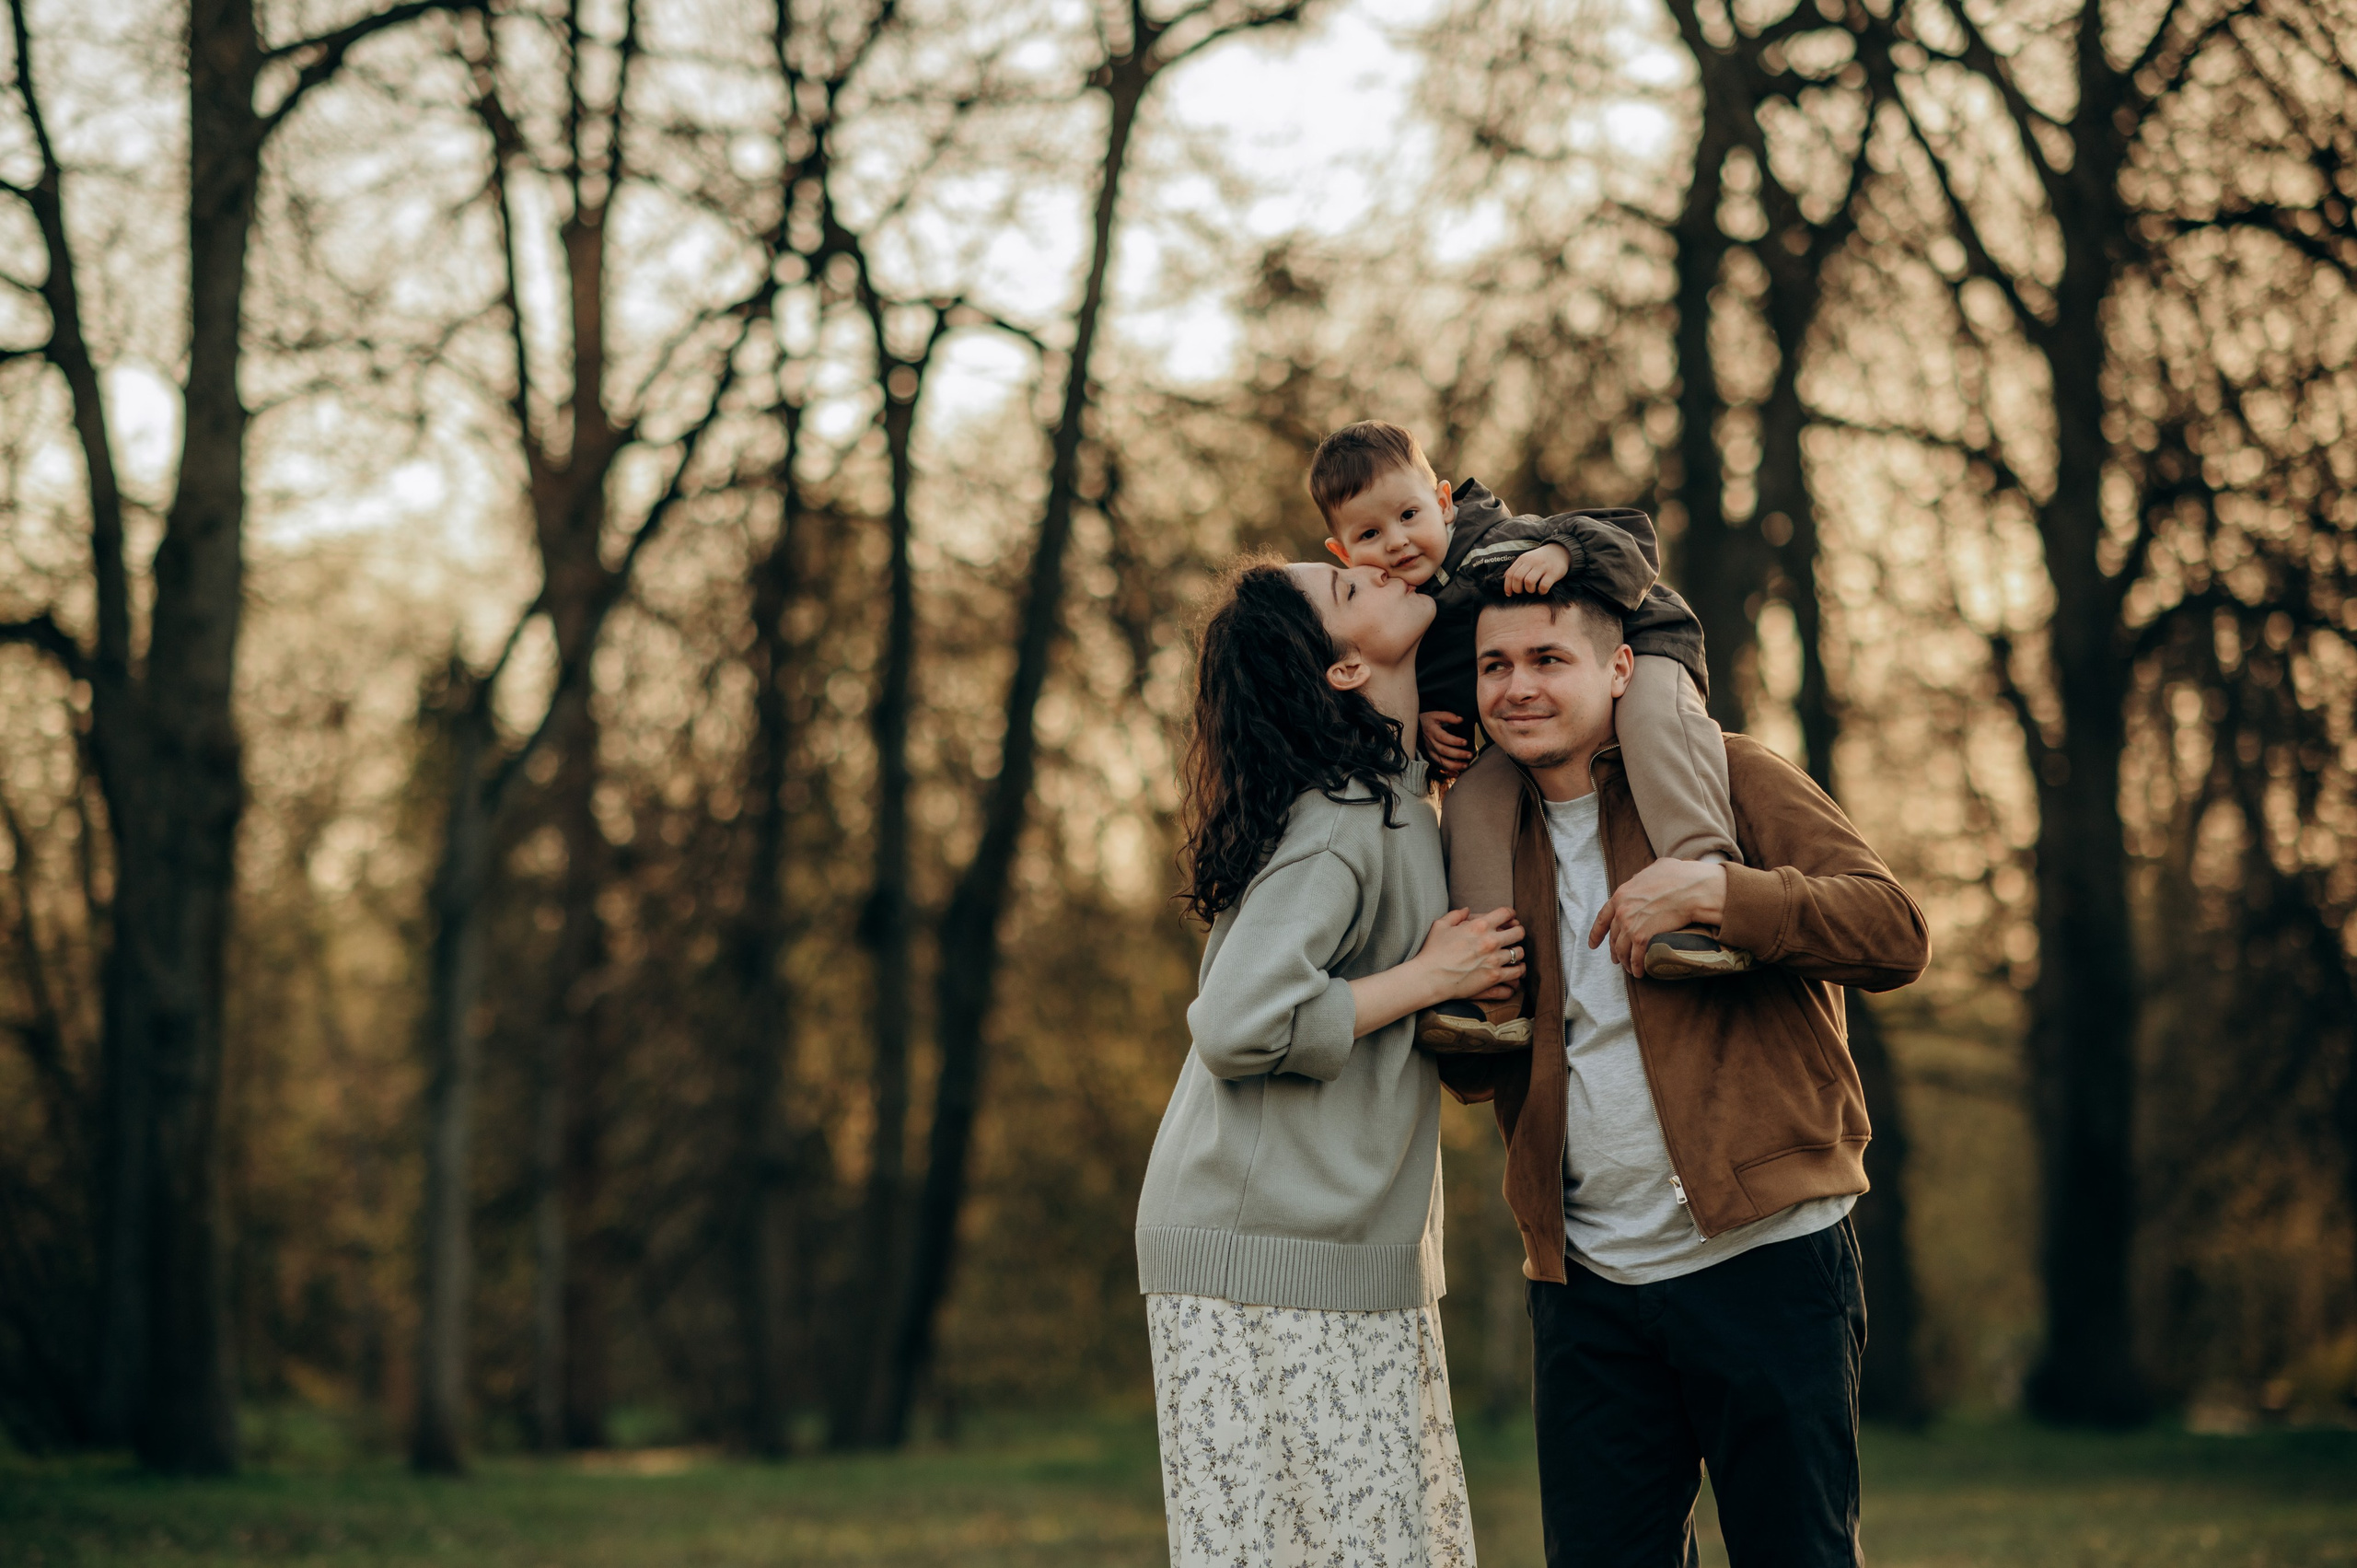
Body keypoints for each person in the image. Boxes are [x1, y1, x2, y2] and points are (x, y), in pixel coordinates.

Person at [1435, 573, 1930, 1568]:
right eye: (1495, 665)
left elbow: (1895, 931)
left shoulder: (1727, 772)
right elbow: (1481, 1076)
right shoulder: (1481, 837)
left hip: (1767, 1263)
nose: (1516, 687)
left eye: (1547, 659)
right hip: (1587, 1285)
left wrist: (1721, 890)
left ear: (1619, 668)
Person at [1134, 552, 1526, 1568]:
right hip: (1256, 1256)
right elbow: (1231, 1021)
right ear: (1346, 670)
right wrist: (1432, 975)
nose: (1384, 569)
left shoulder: (1397, 796)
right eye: (1350, 589)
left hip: (1342, 1248)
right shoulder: (1340, 821)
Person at [1308, 420, 1750, 1058]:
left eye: (1408, 514)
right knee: (1472, 800)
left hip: (1643, 645)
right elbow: (1437, 687)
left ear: (1442, 500)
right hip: (1549, 718)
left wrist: (1566, 554)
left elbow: (1635, 540)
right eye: (1371, 534)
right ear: (1342, 550)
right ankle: (1490, 992)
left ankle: (1705, 887)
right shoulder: (1408, 618)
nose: (1398, 542)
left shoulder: (1504, 537)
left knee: (1656, 730)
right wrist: (1428, 716)